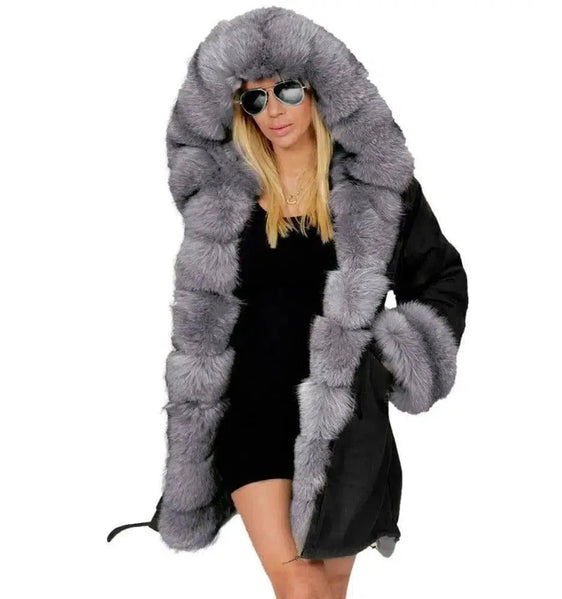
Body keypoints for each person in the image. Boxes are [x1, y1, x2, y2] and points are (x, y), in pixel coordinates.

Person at [107, 7, 469, 599]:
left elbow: (442, 278)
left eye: (288, 91)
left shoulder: (377, 191)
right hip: (253, 412)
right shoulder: (223, 198)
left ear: (318, 89)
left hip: (345, 422)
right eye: (254, 98)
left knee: (327, 589)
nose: (273, 111)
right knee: (298, 586)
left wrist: (393, 355)